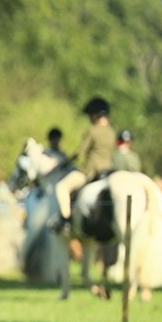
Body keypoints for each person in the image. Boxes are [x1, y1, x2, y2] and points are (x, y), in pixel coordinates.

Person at [53, 96, 116, 233]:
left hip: (91, 170)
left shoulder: (92, 131)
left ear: (94, 115)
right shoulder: (112, 132)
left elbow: (80, 152)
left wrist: (66, 162)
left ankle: (65, 220)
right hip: (109, 170)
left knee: (61, 187)